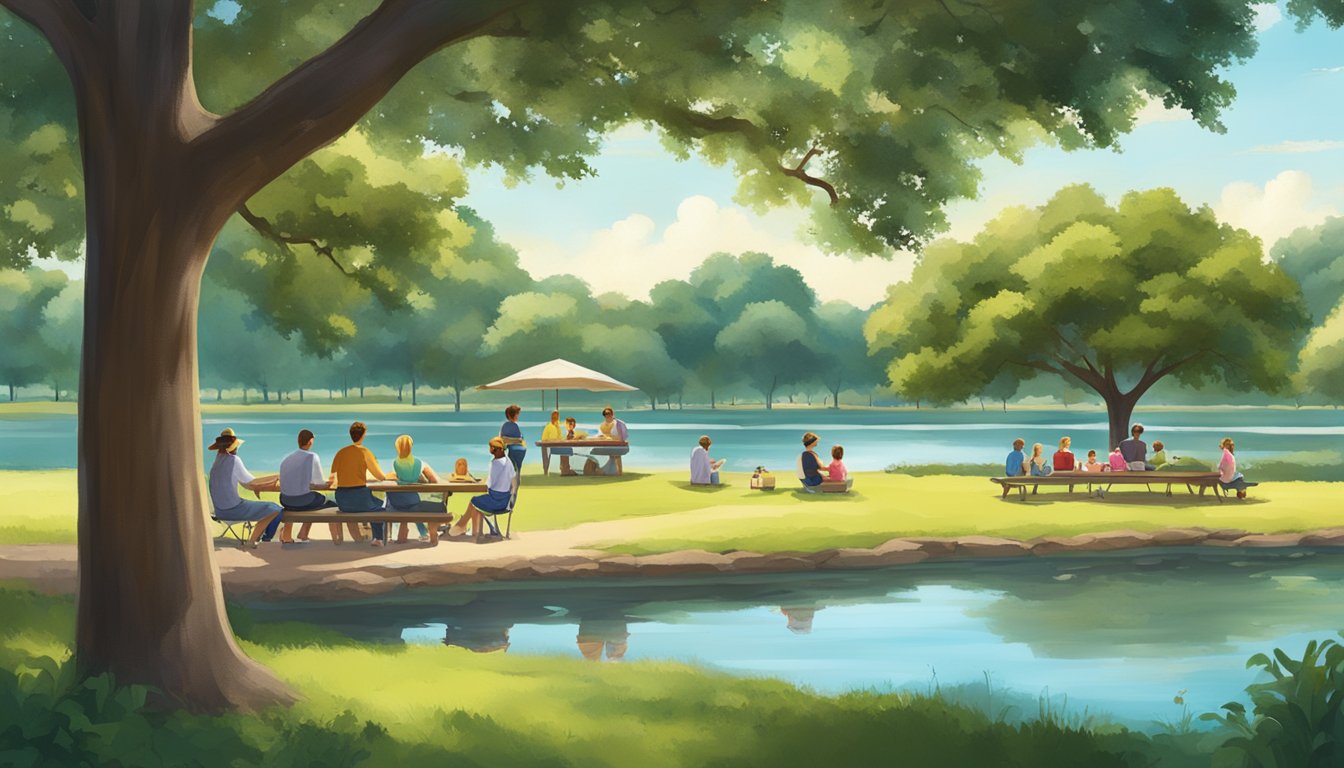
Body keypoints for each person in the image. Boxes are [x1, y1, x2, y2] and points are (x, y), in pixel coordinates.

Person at [207, 428, 281, 549]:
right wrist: (276, 476)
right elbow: (251, 482)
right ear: (233, 447)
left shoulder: (217, 461)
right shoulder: (234, 460)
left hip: (220, 511)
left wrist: (261, 485)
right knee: (275, 508)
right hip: (234, 509)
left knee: (269, 507)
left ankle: (263, 538)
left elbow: (247, 485)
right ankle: (254, 540)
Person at [277, 428, 345, 544]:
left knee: (312, 499)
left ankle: (301, 533)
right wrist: (329, 482)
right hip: (302, 501)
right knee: (331, 503)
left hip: (285, 500)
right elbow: (318, 482)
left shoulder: (287, 459)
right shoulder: (312, 456)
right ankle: (337, 539)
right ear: (310, 441)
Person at [332, 421, 389, 546]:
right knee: (381, 509)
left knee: (375, 504)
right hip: (359, 497)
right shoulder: (365, 452)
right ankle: (378, 539)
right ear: (363, 435)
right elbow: (380, 476)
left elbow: (333, 476)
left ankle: (372, 538)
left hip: (342, 499)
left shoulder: (341, 452)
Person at [449, 437, 516, 538]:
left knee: (474, 501)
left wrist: (480, 482)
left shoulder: (495, 463)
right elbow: (508, 480)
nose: (490, 450)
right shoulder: (508, 461)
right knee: (477, 504)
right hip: (506, 500)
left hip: (497, 500)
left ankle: (463, 524)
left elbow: (489, 485)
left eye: (491, 447)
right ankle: (474, 532)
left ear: (496, 449)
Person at [387, 434, 448, 543]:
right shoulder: (420, 463)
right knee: (414, 506)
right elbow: (434, 481)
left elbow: (393, 478)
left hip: (397, 502)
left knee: (393, 501)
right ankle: (425, 533)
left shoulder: (395, 463)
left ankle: (394, 535)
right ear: (411, 447)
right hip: (412, 500)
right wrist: (421, 480)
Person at [595, 406, 630, 475]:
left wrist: (611, 437)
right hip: (606, 445)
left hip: (618, 445)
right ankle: (609, 471)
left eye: (609, 413)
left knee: (616, 454)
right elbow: (599, 435)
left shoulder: (618, 423)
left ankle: (619, 472)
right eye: (605, 414)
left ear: (612, 414)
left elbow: (622, 437)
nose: (607, 415)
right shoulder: (602, 425)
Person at [540, 410, 575, 476]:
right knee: (566, 449)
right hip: (549, 447)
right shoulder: (551, 427)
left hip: (552, 445)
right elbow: (553, 440)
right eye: (554, 417)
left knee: (566, 448)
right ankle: (565, 470)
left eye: (557, 417)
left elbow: (559, 437)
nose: (556, 418)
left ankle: (565, 469)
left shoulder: (557, 425)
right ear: (551, 417)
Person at [499, 404, 526, 474]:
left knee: (516, 469)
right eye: (517, 414)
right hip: (511, 451)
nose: (518, 416)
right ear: (512, 415)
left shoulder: (514, 425)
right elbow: (503, 439)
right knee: (513, 469)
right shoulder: (507, 426)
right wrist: (517, 440)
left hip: (517, 451)